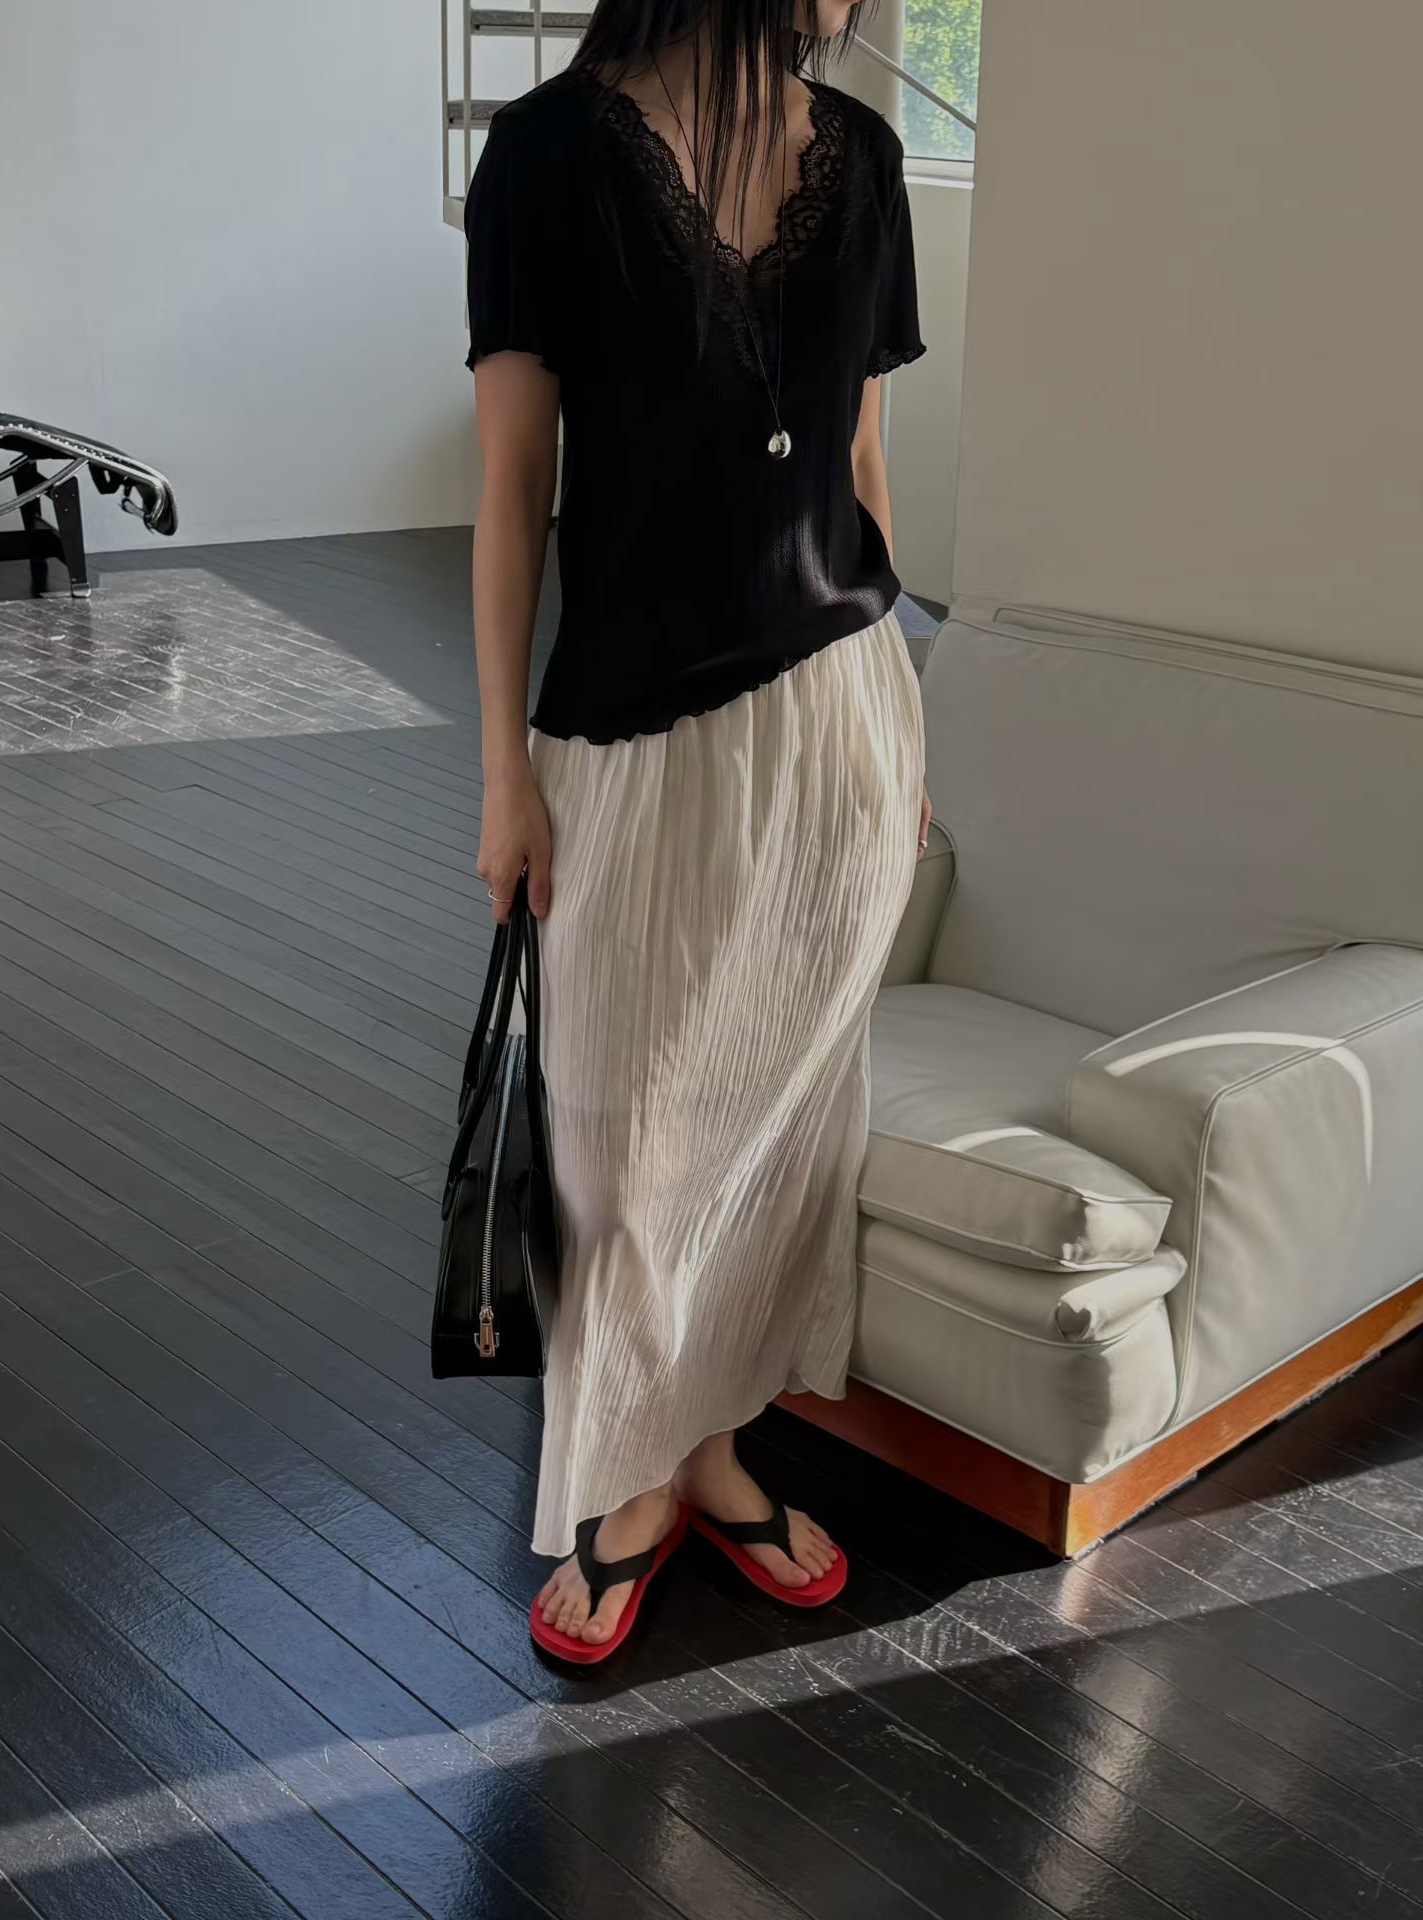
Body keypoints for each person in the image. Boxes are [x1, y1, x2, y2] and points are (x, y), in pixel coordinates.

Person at [466, 0, 930, 1661]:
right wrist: (505, 769)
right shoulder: (545, 154)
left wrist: (898, 723)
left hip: (839, 712)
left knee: (783, 1118)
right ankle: (624, 1481)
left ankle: (712, 1452)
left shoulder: (862, 159)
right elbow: (513, 489)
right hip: (631, 731)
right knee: (616, 1136)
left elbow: (860, 454)